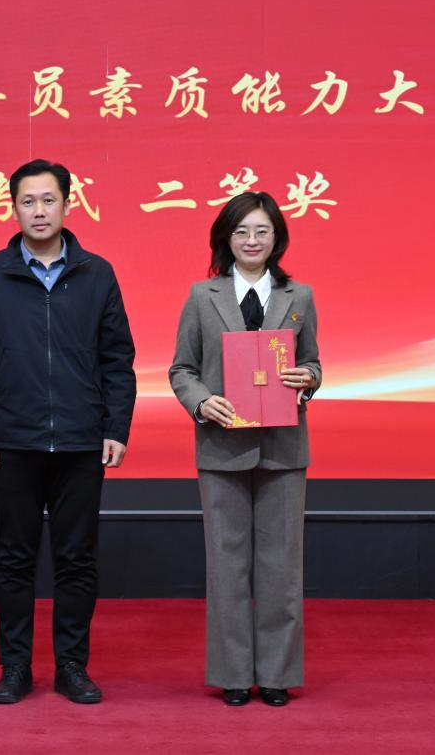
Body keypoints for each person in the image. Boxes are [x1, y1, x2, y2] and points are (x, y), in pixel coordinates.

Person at [0, 158, 137, 705]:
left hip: (81, 440)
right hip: (12, 441)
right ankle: (14, 666)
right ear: (12, 208)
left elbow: (117, 358)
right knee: (14, 559)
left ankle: (72, 666)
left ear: (67, 204)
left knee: (77, 559)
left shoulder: (97, 273)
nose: (38, 211)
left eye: (48, 200)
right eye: (28, 201)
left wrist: (115, 425)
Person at [168, 191, 321, 707]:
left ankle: (276, 674)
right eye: (241, 232)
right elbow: (182, 369)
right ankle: (233, 674)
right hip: (222, 447)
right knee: (226, 566)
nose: (252, 240)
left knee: (282, 567)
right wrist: (201, 401)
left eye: (262, 231)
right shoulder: (201, 296)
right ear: (225, 239)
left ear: (277, 238)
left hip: (283, 448)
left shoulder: (299, 296)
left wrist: (308, 378)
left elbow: (314, 363)